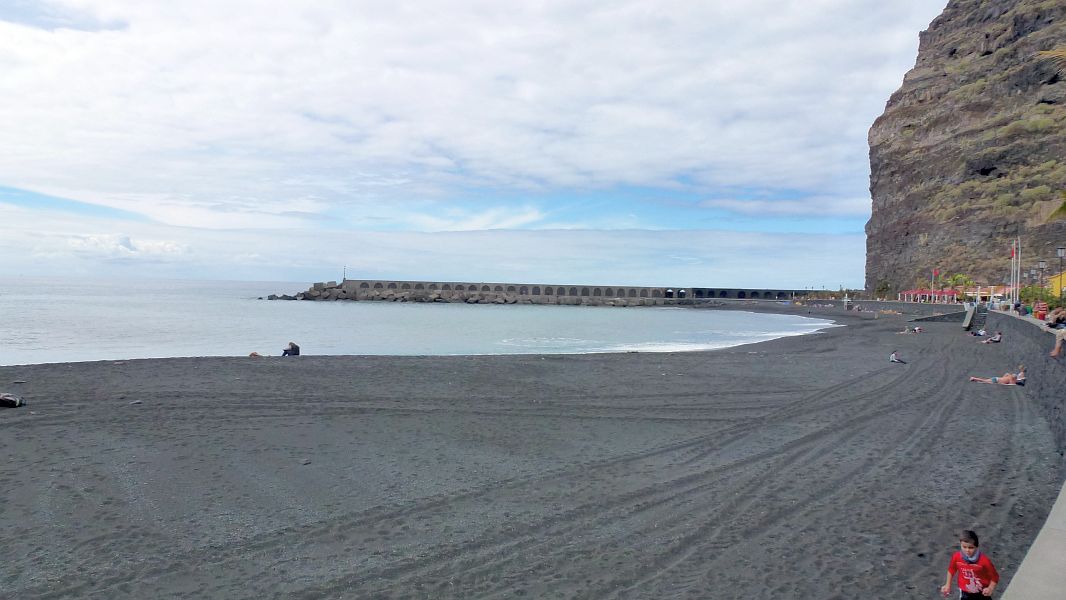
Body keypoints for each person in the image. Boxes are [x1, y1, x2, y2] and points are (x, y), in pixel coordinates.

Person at [940, 530, 998, 598]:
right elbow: (951, 570)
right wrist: (948, 585)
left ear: (976, 547)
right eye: (964, 547)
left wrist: (990, 588)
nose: (967, 550)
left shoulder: (984, 561)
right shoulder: (956, 557)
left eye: (971, 547)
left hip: (982, 593)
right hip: (965, 593)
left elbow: (995, 577)